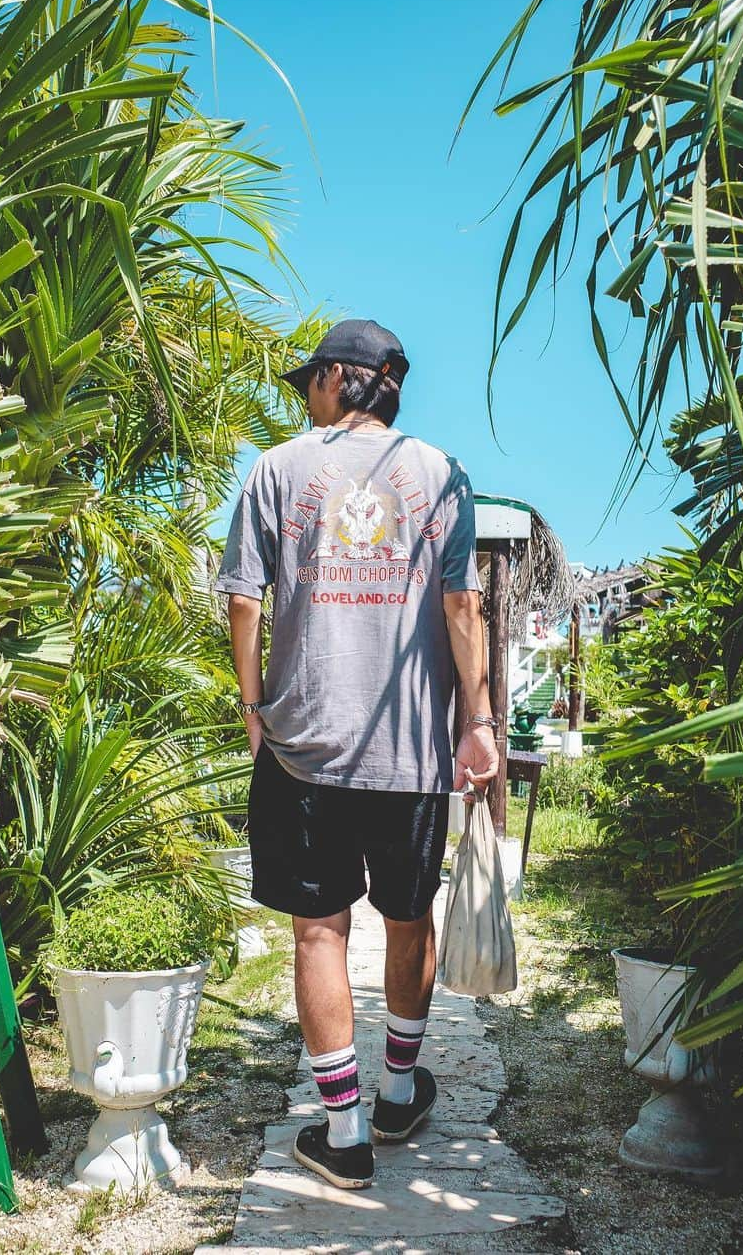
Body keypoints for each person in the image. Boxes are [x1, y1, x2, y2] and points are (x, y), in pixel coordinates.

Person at [217, 318, 499, 1189]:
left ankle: (342, 1136)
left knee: (319, 930)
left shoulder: (275, 469)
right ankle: (398, 1091)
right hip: (411, 750)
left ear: (340, 378)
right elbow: (462, 610)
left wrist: (253, 702)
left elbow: (242, 601)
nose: (305, 395)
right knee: (408, 918)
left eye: (312, 380)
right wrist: (477, 721)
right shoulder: (443, 473)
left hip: (305, 746)